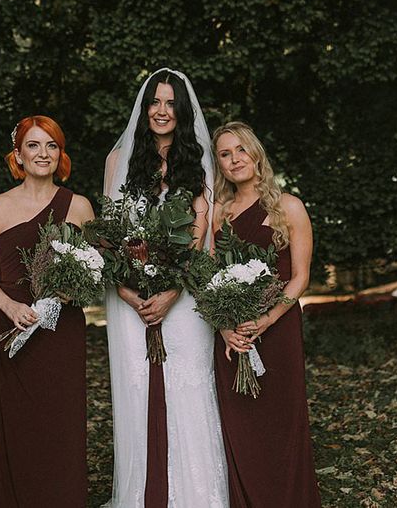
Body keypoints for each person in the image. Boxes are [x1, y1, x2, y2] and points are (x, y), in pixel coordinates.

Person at [104, 68, 229, 507]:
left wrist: (174, 288)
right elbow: (110, 231)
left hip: (185, 291)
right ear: (144, 108)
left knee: (188, 388)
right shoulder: (117, 162)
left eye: (170, 103)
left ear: (182, 110)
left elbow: (200, 236)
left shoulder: (196, 163)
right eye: (154, 102)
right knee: (137, 390)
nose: (161, 110)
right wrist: (124, 287)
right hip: (128, 297)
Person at [0, 115, 94, 507]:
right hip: (10, 330)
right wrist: (9, 306)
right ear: (18, 155)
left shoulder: (78, 206)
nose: (43, 153)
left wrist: (71, 292)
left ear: (60, 154)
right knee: (18, 427)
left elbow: (95, 269)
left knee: (61, 426)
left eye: (51, 146)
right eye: (34, 145)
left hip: (61, 333)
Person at [211, 121, 321, 507]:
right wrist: (226, 329)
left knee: (281, 425)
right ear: (219, 164)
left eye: (241, 149)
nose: (235, 159)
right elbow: (208, 278)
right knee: (243, 428)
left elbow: (300, 278)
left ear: (256, 154)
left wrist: (268, 320)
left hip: (278, 331)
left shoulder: (289, 207)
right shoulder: (217, 215)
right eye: (225, 153)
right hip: (233, 337)